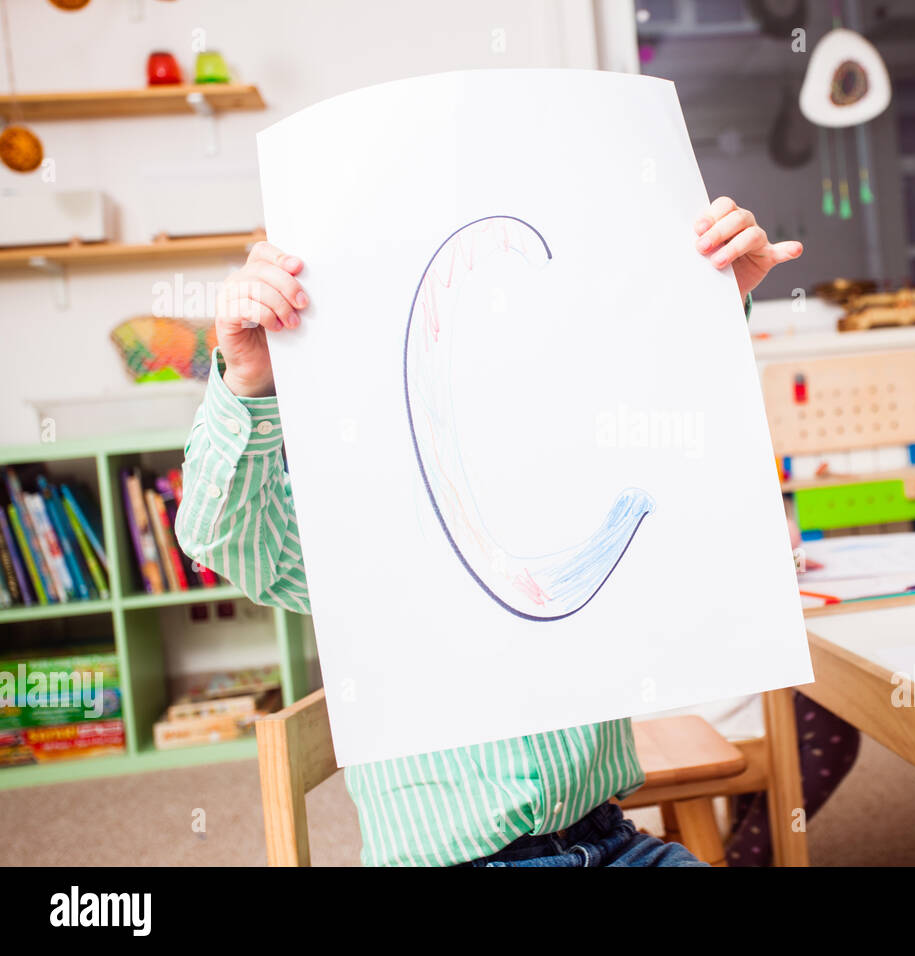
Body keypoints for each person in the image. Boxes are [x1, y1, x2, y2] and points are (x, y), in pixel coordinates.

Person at [175, 196, 802, 867]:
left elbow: (671, 441)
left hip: (609, 838)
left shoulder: (564, 458)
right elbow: (224, 537)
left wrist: (709, 300)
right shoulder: (355, 519)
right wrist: (245, 380)